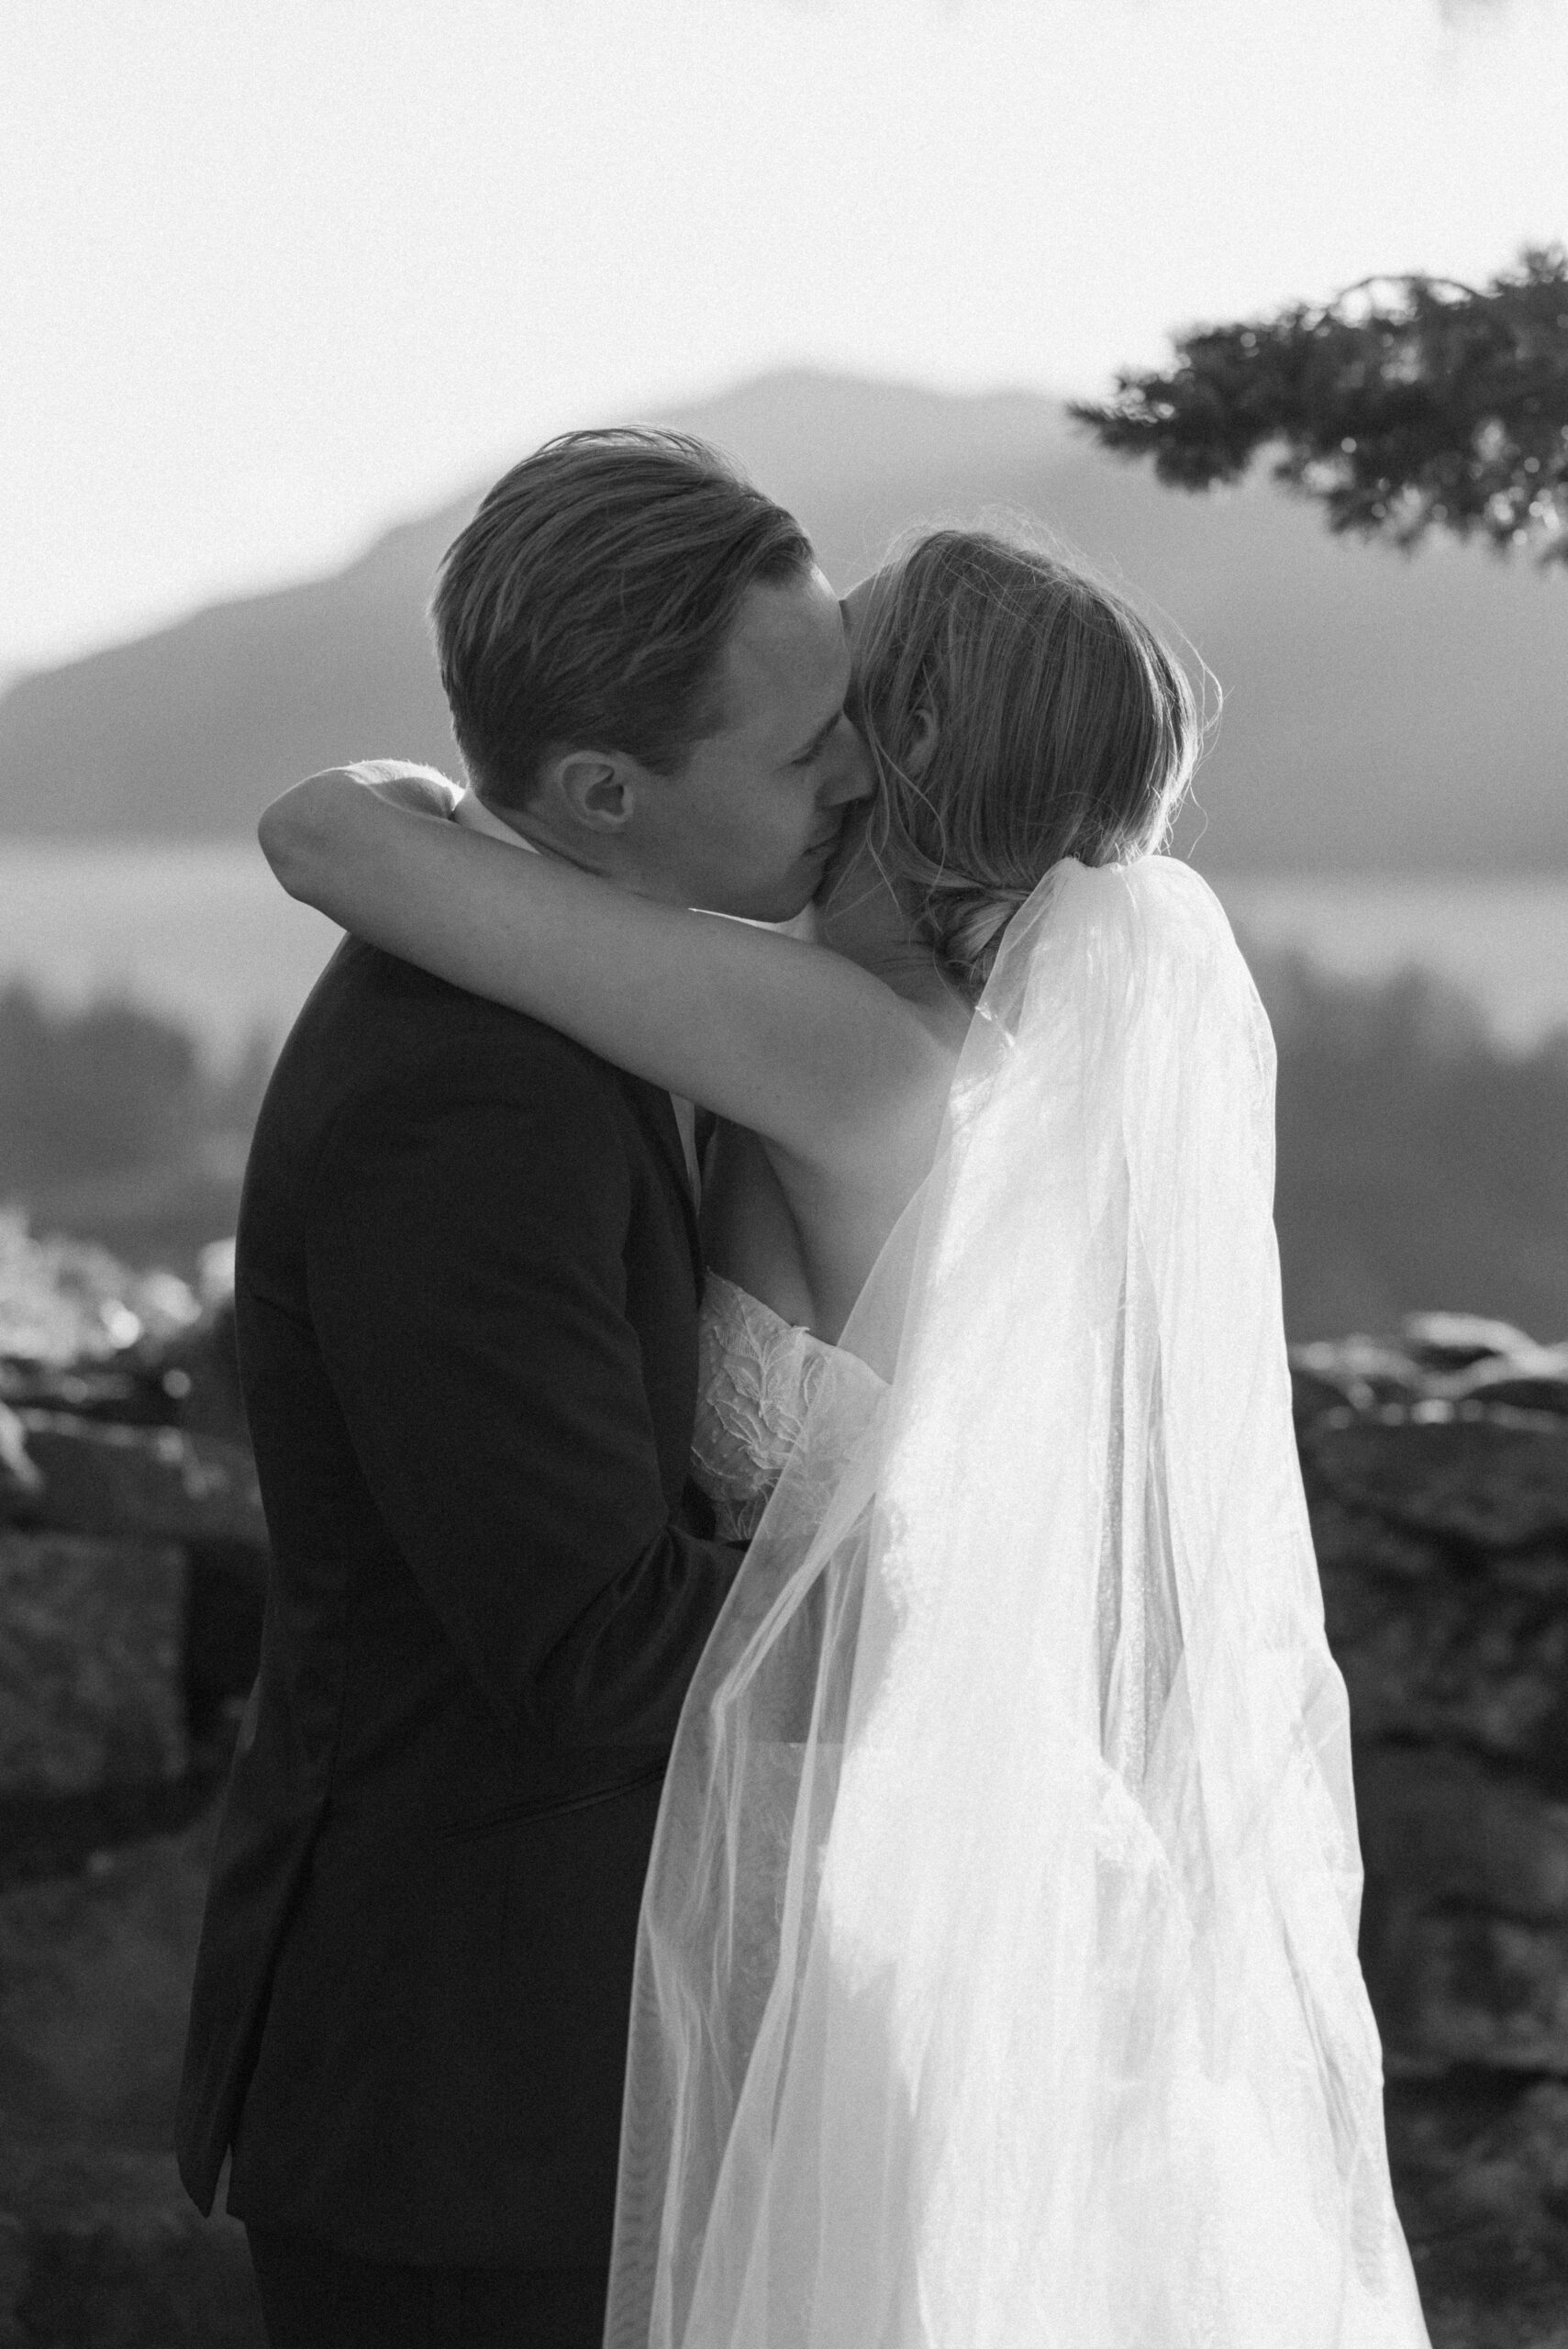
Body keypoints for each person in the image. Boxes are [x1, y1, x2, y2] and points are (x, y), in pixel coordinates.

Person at [261, 527, 1434, 2346]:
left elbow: (334, 851)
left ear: (893, 756)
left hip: (803, 1892)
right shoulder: (947, 1054)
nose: (804, 744)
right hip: (877, 1858)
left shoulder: (841, 1046)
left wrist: (398, 786)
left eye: (832, 708)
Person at [175, 427, 873, 2349]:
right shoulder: (467, 1097)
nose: (863, 775)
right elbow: (584, 1643)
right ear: (599, 792)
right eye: (808, 752)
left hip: (581, 2074)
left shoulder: (596, 978)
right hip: (470, 2111)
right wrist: (919, 1638)